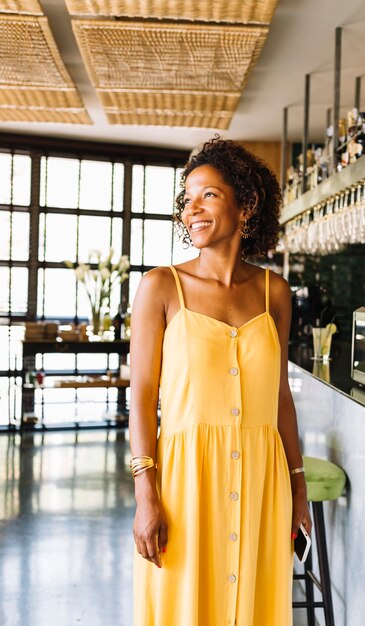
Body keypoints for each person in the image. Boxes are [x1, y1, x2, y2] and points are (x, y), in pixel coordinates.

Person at [129, 137, 312, 626]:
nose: (192, 209)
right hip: (186, 479)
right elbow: (142, 397)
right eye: (187, 199)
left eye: (207, 195)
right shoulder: (160, 286)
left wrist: (297, 487)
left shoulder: (276, 292)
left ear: (246, 205)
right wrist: (146, 494)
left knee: (253, 606)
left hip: (261, 477)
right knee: (185, 606)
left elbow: (279, 398)